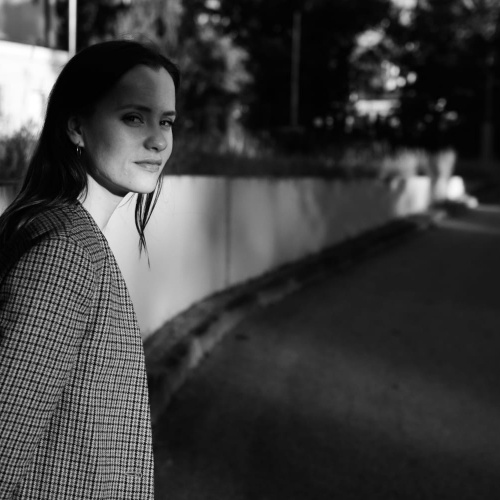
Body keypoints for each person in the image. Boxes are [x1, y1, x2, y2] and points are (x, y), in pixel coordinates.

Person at [0, 39, 180, 499]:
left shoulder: (51, 227)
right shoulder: (66, 254)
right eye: (134, 117)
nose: (158, 139)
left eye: (166, 121)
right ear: (77, 126)